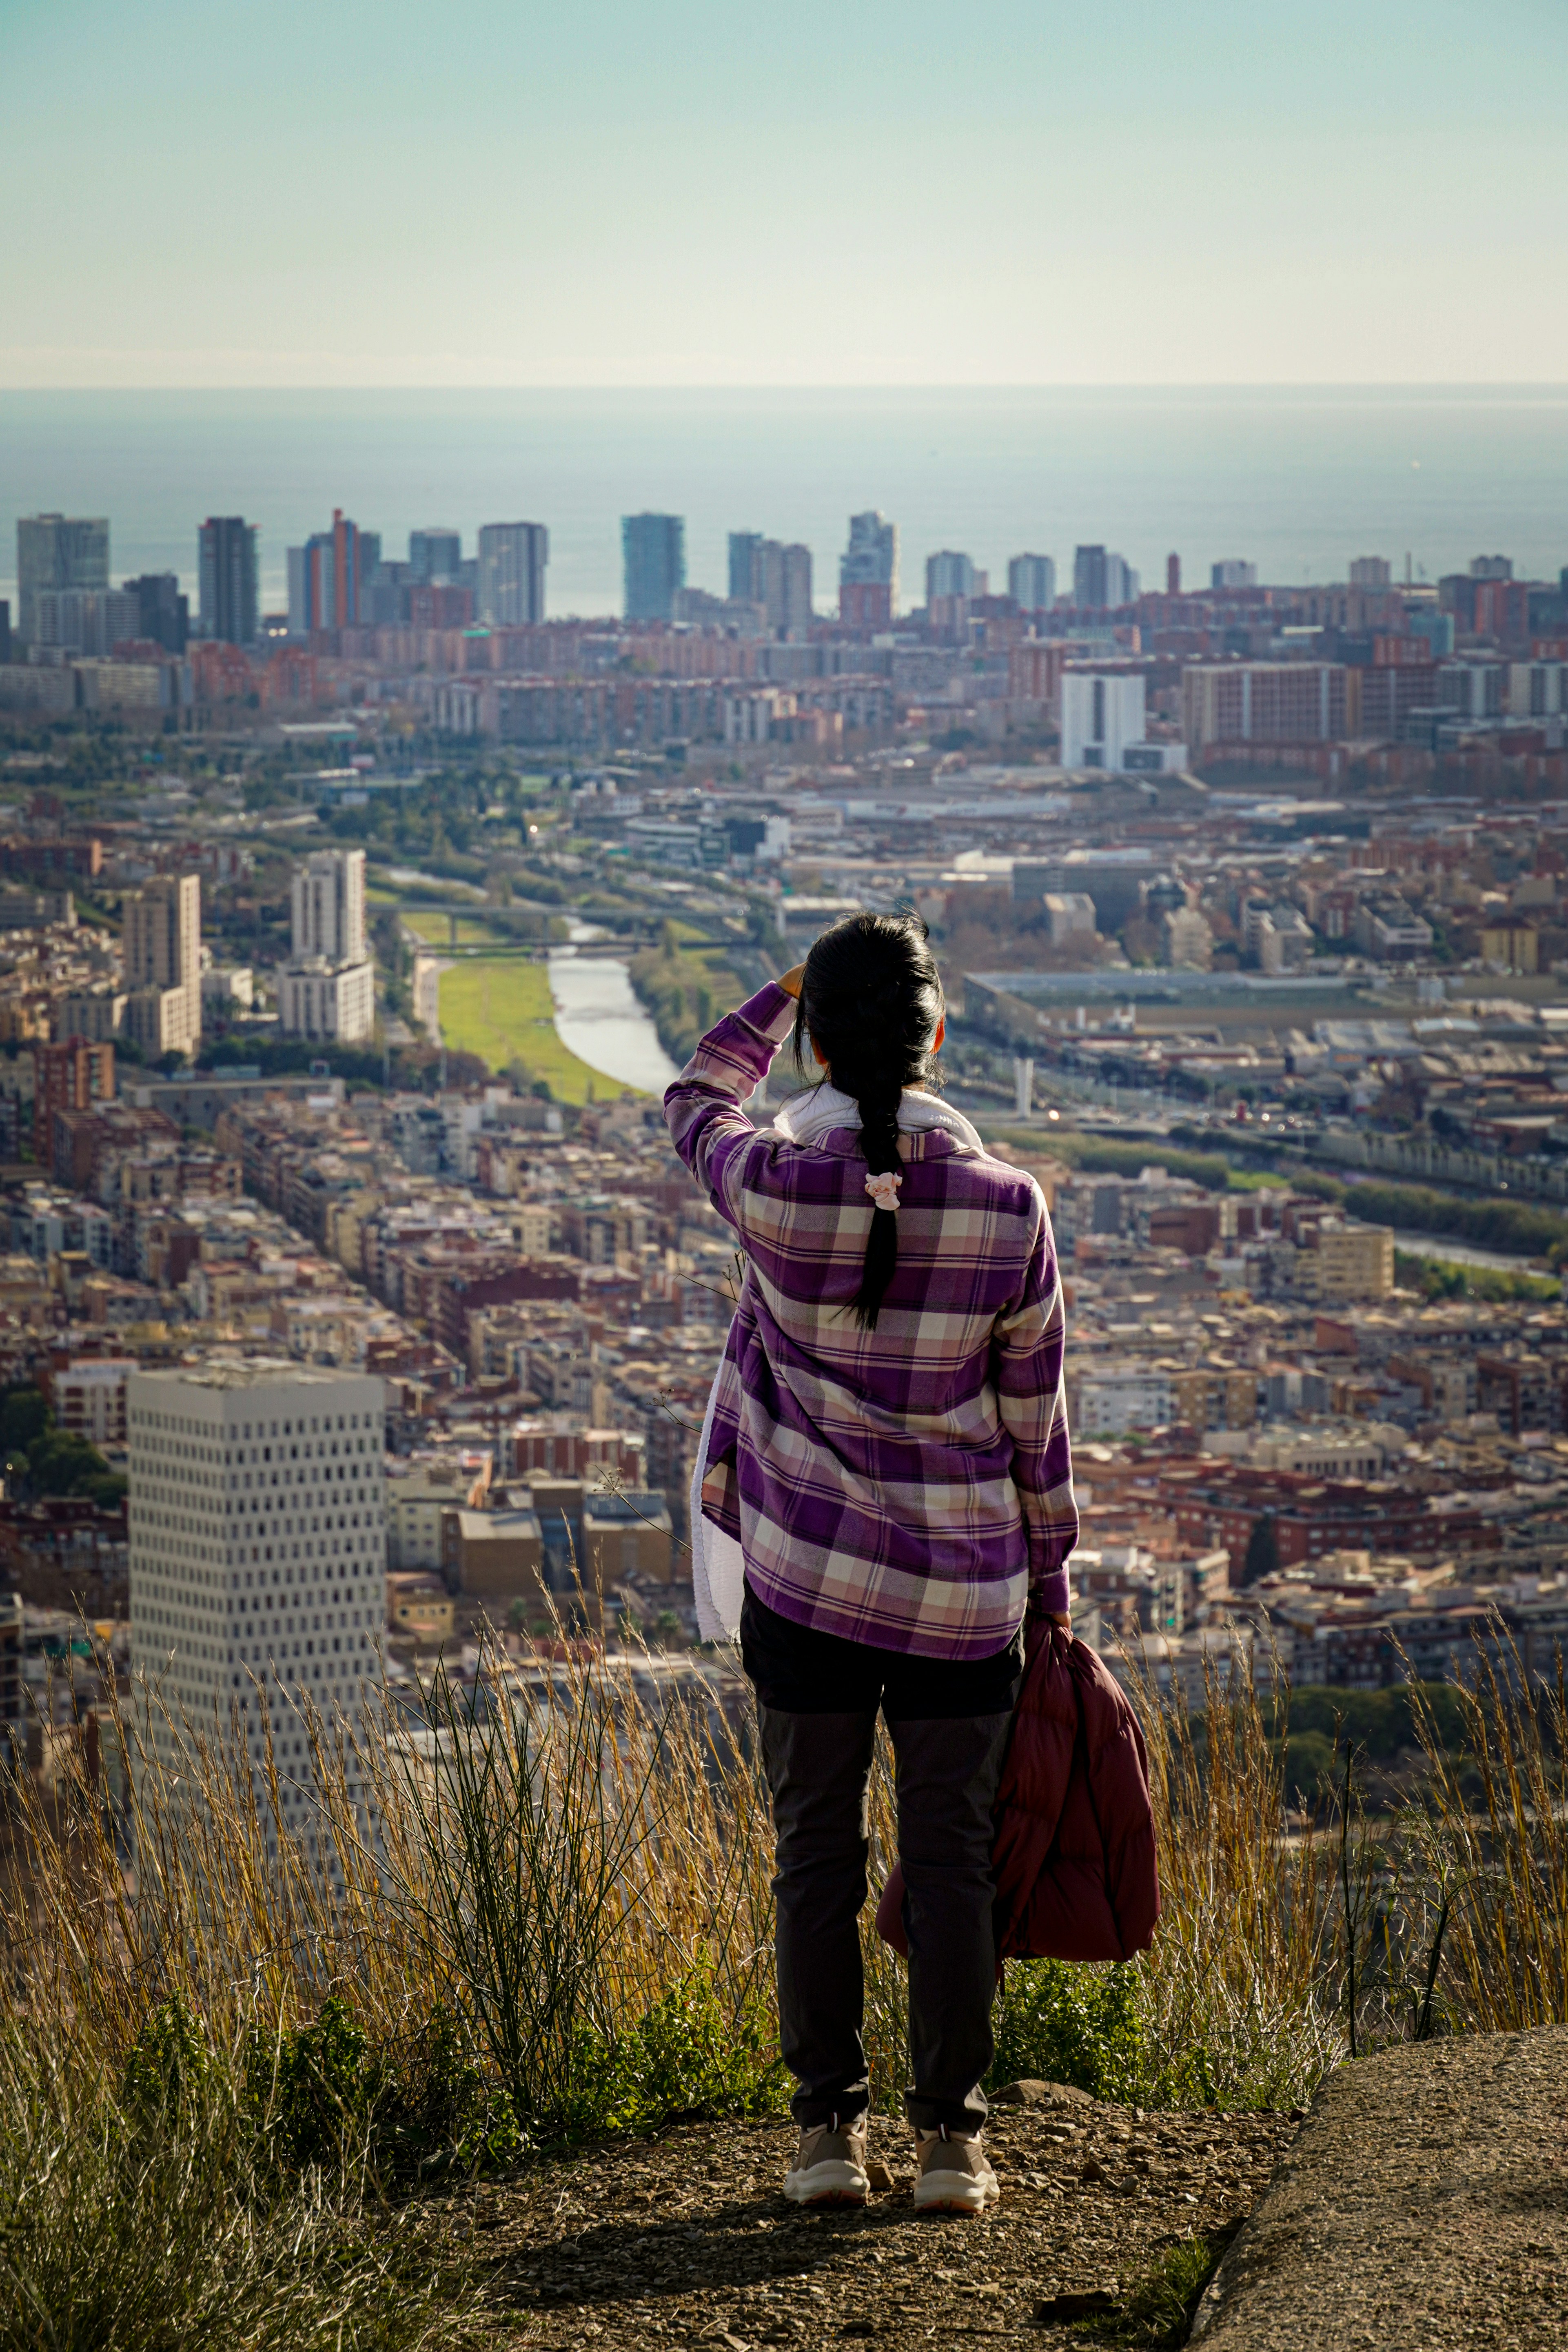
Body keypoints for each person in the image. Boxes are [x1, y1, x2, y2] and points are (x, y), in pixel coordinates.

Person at [665, 910, 1076, 2217]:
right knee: (949, 1856)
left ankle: (824, 2139)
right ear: (937, 1035)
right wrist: (1049, 1583)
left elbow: (693, 1095)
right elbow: (1035, 1424)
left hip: (805, 1581)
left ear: (816, 1046)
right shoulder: (1012, 1209)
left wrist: (782, 991)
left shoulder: (776, 1192)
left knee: (814, 1856)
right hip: (964, 1595)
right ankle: (952, 2141)